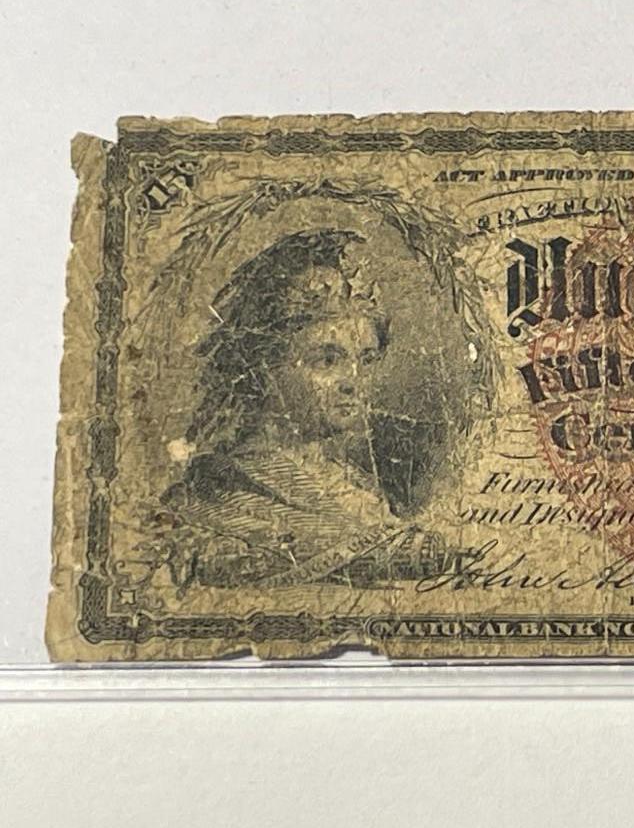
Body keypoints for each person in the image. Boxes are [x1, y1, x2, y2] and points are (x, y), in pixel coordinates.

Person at [148, 228, 457, 590]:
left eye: (366, 360)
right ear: (264, 369)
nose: (353, 381)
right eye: (327, 360)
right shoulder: (225, 491)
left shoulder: (354, 482)